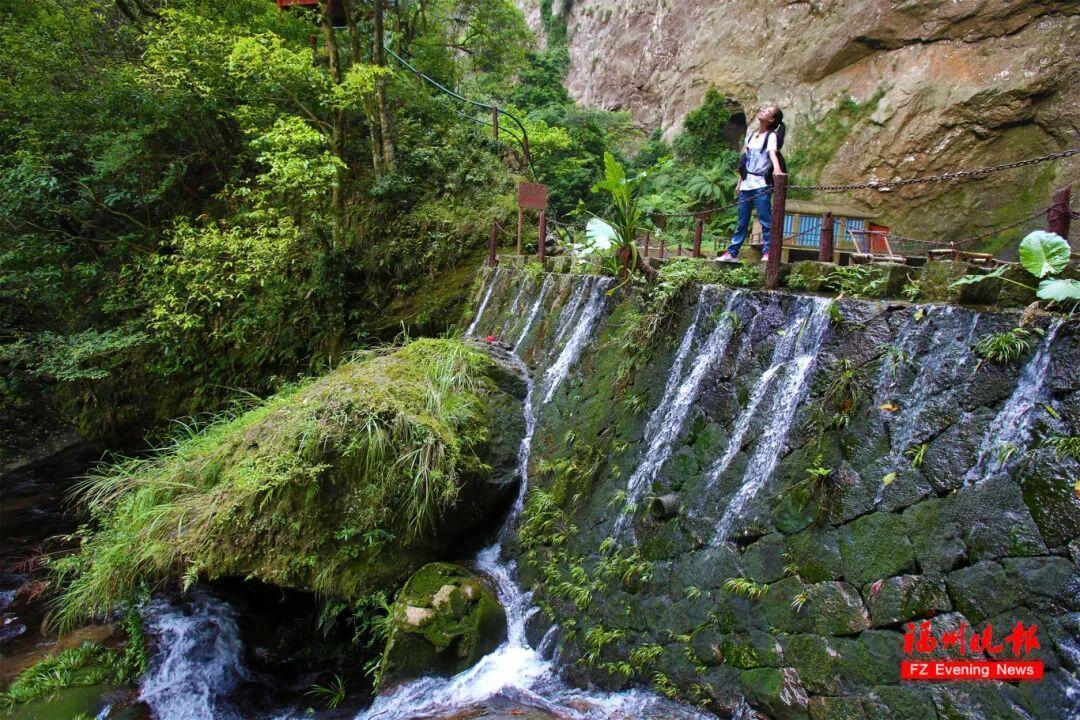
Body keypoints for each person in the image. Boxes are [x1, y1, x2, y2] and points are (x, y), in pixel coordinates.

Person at [719, 106, 786, 263]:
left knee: (765, 220)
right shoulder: (751, 136)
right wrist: (739, 183)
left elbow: (772, 154)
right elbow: (745, 162)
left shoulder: (771, 136)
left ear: (771, 120)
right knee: (742, 221)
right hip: (746, 185)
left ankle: (768, 252)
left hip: (761, 185)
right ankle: (732, 253)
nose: (762, 111)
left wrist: (777, 170)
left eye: (767, 111)